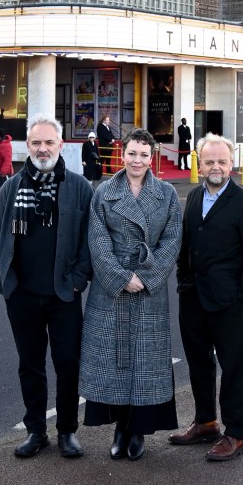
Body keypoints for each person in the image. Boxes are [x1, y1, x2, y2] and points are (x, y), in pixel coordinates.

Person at [0, 114, 93, 460]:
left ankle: (67, 431)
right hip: (21, 294)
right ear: (28, 146)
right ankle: (36, 430)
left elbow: (88, 243)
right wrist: (2, 281)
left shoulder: (79, 187)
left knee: (67, 363)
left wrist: (79, 280)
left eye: (49, 142)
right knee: (30, 364)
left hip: (63, 295)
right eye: (36, 143)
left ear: (60, 145)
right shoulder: (11, 187)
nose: (43, 149)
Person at [79, 128, 182, 462]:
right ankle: (120, 428)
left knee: (144, 363)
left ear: (151, 156)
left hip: (149, 289)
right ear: (122, 154)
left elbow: (172, 241)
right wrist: (121, 277)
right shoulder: (103, 192)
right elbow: (97, 242)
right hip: (112, 292)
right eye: (132, 153)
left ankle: (138, 432)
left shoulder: (166, 193)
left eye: (143, 154)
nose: (137, 160)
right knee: (114, 362)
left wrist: (146, 276)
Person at [169, 132, 243, 462]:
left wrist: (242, 297)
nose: (215, 166)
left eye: (222, 161)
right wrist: (183, 282)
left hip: (228, 304)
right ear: (200, 162)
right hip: (193, 299)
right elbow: (185, 247)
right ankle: (206, 422)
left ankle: (235, 434)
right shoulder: (194, 197)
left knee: (234, 369)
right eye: (209, 161)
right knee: (199, 365)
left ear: (232, 163)